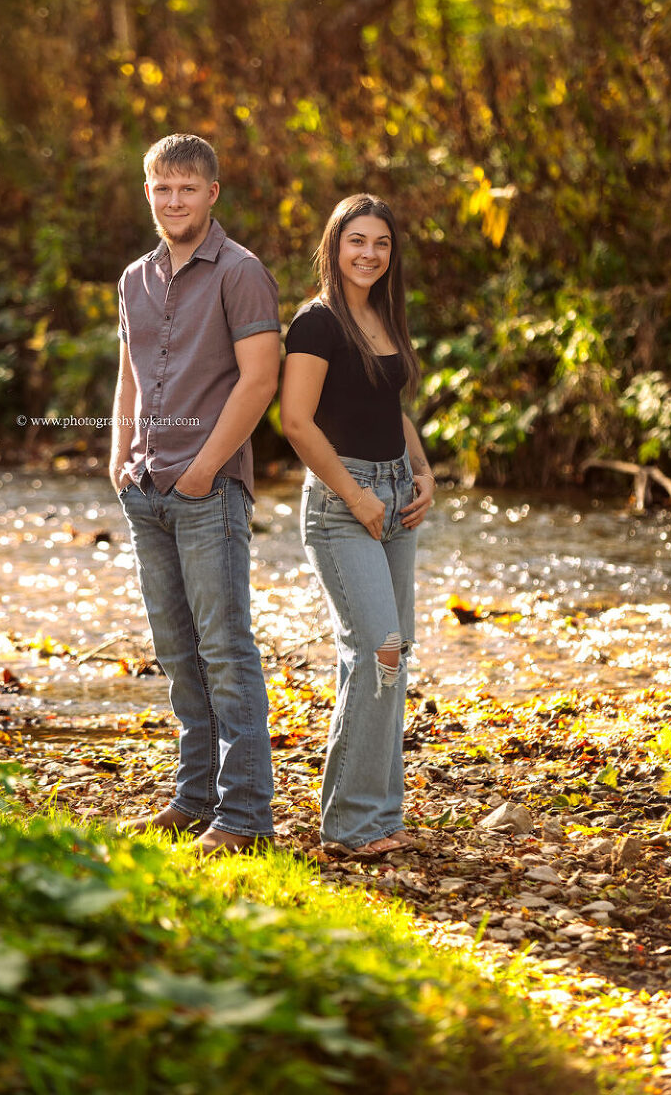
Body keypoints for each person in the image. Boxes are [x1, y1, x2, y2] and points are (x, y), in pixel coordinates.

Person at [110, 133, 279, 854]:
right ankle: (193, 796)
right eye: (162, 188)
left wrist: (206, 467)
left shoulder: (240, 272)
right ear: (147, 193)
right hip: (145, 488)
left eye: (188, 187)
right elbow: (130, 371)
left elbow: (260, 380)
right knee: (177, 651)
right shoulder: (134, 278)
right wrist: (117, 453)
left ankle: (243, 816)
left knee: (225, 650)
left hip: (208, 491)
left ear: (213, 193)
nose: (173, 200)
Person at [280, 194, 435, 860]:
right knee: (378, 648)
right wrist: (356, 495)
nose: (369, 253)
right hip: (344, 504)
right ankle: (348, 826)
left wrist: (423, 472)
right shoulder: (317, 323)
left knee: (392, 658)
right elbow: (295, 421)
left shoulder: (383, 316)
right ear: (334, 245)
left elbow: (389, 408)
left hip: (397, 493)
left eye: (381, 243)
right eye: (357, 241)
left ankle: (379, 815)